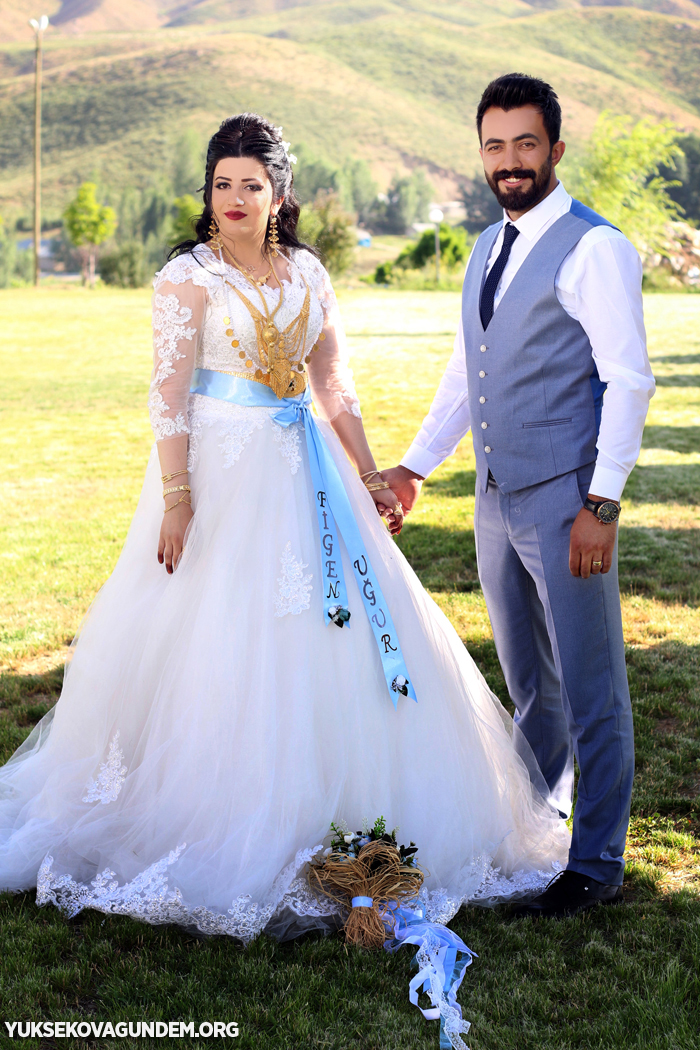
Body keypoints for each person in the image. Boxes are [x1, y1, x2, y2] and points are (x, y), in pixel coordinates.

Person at [0, 114, 568, 943]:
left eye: (251, 185)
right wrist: (178, 496)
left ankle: (355, 807)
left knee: (342, 634)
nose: (234, 198)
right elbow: (167, 395)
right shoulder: (186, 278)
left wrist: (369, 474)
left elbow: (334, 385)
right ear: (208, 193)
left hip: (310, 473)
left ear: (278, 193)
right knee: (218, 634)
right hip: (221, 475)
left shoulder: (307, 270)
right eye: (221, 184)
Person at [384, 75, 655, 919]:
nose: (510, 161)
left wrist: (601, 505)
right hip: (496, 497)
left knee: (592, 687)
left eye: (526, 144)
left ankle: (597, 863)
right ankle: (540, 825)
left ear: (556, 150)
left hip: (567, 500)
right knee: (531, 683)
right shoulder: (485, 246)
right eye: (495, 146)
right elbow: (467, 370)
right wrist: (416, 466)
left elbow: (629, 381)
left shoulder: (594, 247)